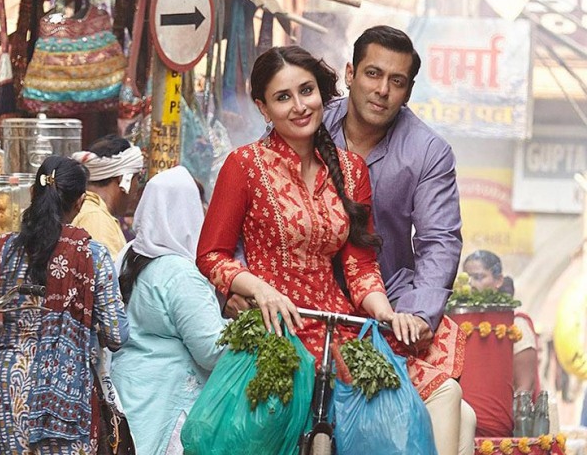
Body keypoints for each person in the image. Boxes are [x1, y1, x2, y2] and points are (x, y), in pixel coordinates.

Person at [197, 45, 468, 454]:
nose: (299, 106)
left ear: (322, 94)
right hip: (276, 328)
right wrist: (259, 289)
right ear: (263, 108)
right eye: (283, 97)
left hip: (336, 327)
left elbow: (361, 264)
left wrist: (386, 313)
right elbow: (211, 254)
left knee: (421, 403)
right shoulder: (244, 165)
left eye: (306, 91)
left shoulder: (351, 169)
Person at [0, 155, 129, 454]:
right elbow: (117, 335)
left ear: (32, 192)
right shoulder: (92, 255)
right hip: (65, 387)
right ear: (80, 202)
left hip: (7, 384)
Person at [111, 166, 227, 455]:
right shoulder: (180, 273)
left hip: (127, 392)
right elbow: (210, 350)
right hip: (164, 402)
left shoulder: (127, 255)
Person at [463, 250, 540, 395]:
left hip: (501, 406)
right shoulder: (458, 321)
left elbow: (525, 387)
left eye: (478, 277)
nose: (471, 284)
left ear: (498, 280)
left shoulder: (516, 325)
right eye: (467, 278)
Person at [71, 135, 144, 260]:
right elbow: (104, 271)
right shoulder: (96, 219)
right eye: (138, 178)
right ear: (122, 179)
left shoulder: (84, 209)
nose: (137, 187)